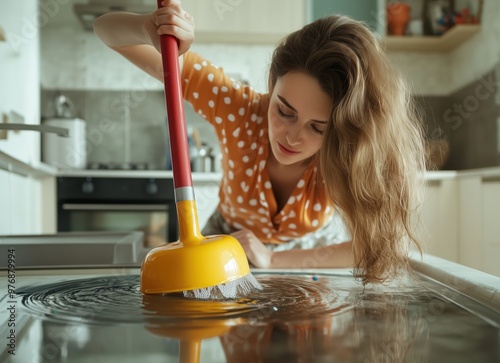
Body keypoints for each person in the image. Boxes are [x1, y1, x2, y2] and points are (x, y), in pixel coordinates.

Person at [93, 0, 426, 284]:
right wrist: (147, 27)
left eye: (318, 128)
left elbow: (380, 248)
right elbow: (106, 31)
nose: (293, 137)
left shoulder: (350, 149)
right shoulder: (236, 107)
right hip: (225, 244)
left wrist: (271, 259)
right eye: (285, 111)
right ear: (272, 83)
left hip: (311, 256)